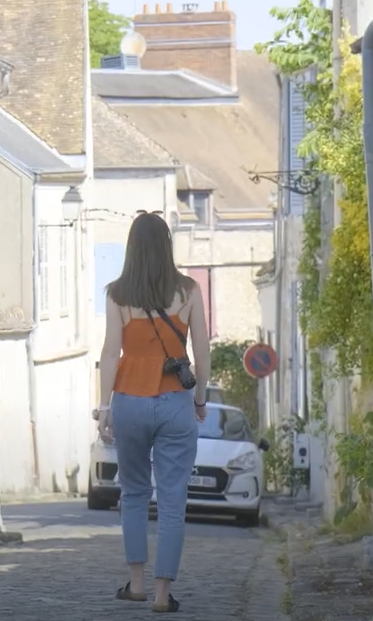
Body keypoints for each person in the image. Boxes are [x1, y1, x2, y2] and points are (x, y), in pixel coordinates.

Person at [96, 212, 210, 613]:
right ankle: (163, 594)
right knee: (173, 499)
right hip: (175, 397)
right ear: (167, 246)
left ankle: (138, 583)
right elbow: (201, 351)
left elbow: (111, 352)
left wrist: (104, 407)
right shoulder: (189, 290)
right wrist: (199, 401)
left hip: (129, 398)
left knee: (133, 493)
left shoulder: (116, 294)